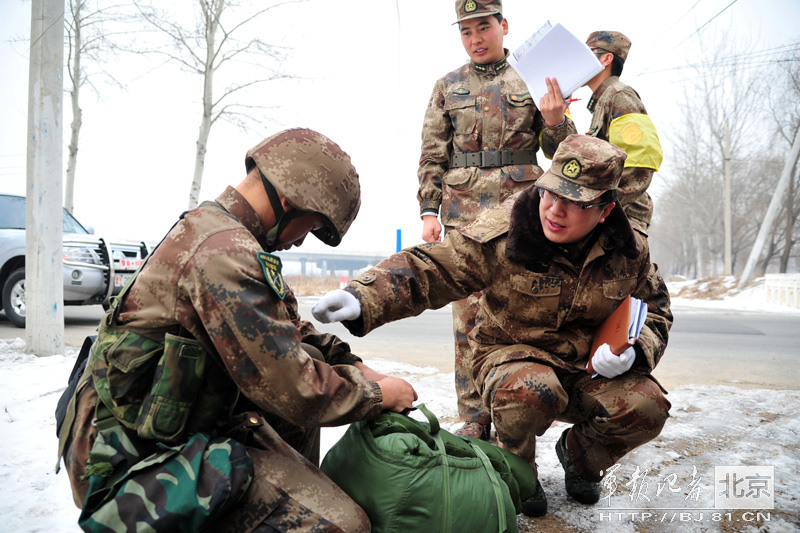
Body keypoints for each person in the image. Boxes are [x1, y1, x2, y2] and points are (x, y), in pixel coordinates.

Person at [56, 128, 418, 532]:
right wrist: (379, 394)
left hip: (158, 426)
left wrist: (350, 362)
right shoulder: (225, 254)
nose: (300, 244)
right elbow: (296, 389)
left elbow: (284, 333)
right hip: (125, 457)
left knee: (314, 361)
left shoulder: (223, 233)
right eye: (310, 227)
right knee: (347, 526)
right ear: (288, 199)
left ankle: (280, 495)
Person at [313, 135, 672, 517]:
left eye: (575, 202)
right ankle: (518, 469)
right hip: (511, 358)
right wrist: (362, 296)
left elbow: (656, 308)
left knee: (647, 405)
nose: (554, 209)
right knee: (532, 391)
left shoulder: (628, 247)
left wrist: (635, 349)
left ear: (604, 211)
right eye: (551, 193)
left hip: (586, 367)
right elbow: (437, 266)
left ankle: (579, 459)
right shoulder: (508, 230)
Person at [419, 0, 576, 441]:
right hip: (464, 216)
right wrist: (428, 211)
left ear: (503, 26)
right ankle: (472, 413)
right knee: (467, 317)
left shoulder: (536, 77)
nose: (475, 39)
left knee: (520, 311)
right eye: (466, 31)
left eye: (483, 27)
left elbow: (563, 151)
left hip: (522, 212)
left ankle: (514, 408)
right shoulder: (447, 86)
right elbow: (433, 154)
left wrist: (555, 120)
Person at [583, 30, 664, 232]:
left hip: (623, 219)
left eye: (587, 52)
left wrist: (599, 207)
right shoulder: (603, 99)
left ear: (606, 59)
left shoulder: (619, 95)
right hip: (612, 215)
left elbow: (641, 161)